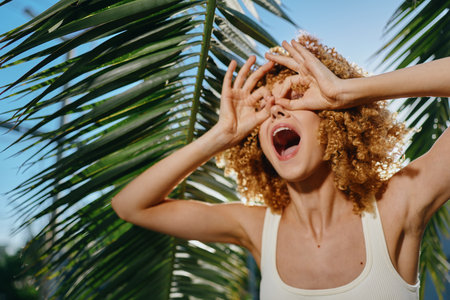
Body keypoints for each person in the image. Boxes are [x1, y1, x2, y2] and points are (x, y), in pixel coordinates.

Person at [111, 34, 450, 299]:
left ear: (334, 120)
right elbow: (131, 206)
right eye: (263, 105)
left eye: (295, 96)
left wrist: (347, 92)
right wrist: (221, 134)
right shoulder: (256, 229)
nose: (276, 110)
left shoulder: (399, 204)